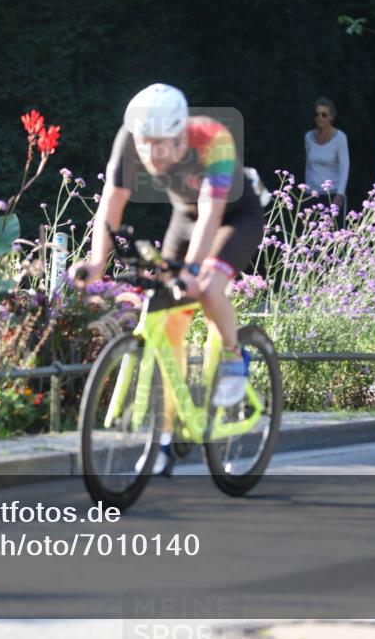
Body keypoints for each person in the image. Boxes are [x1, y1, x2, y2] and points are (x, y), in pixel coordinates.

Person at [69, 83, 265, 472]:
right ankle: (164, 436)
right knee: (167, 321)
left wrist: (192, 271)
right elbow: (112, 201)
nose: (153, 154)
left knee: (206, 289)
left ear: (180, 134)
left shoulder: (213, 139)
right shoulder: (130, 136)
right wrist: (95, 263)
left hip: (235, 216)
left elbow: (212, 213)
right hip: (185, 217)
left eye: (162, 145)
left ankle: (232, 359)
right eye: (146, 145)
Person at [304, 97, 349, 226]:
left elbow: (345, 167)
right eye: (317, 114)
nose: (320, 117)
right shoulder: (308, 137)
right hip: (312, 194)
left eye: (324, 115)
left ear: (331, 117)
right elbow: (308, 166)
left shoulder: (340, 138)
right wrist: (306, 192)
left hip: (333, 194)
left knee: (334, 237)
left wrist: (340, 194)